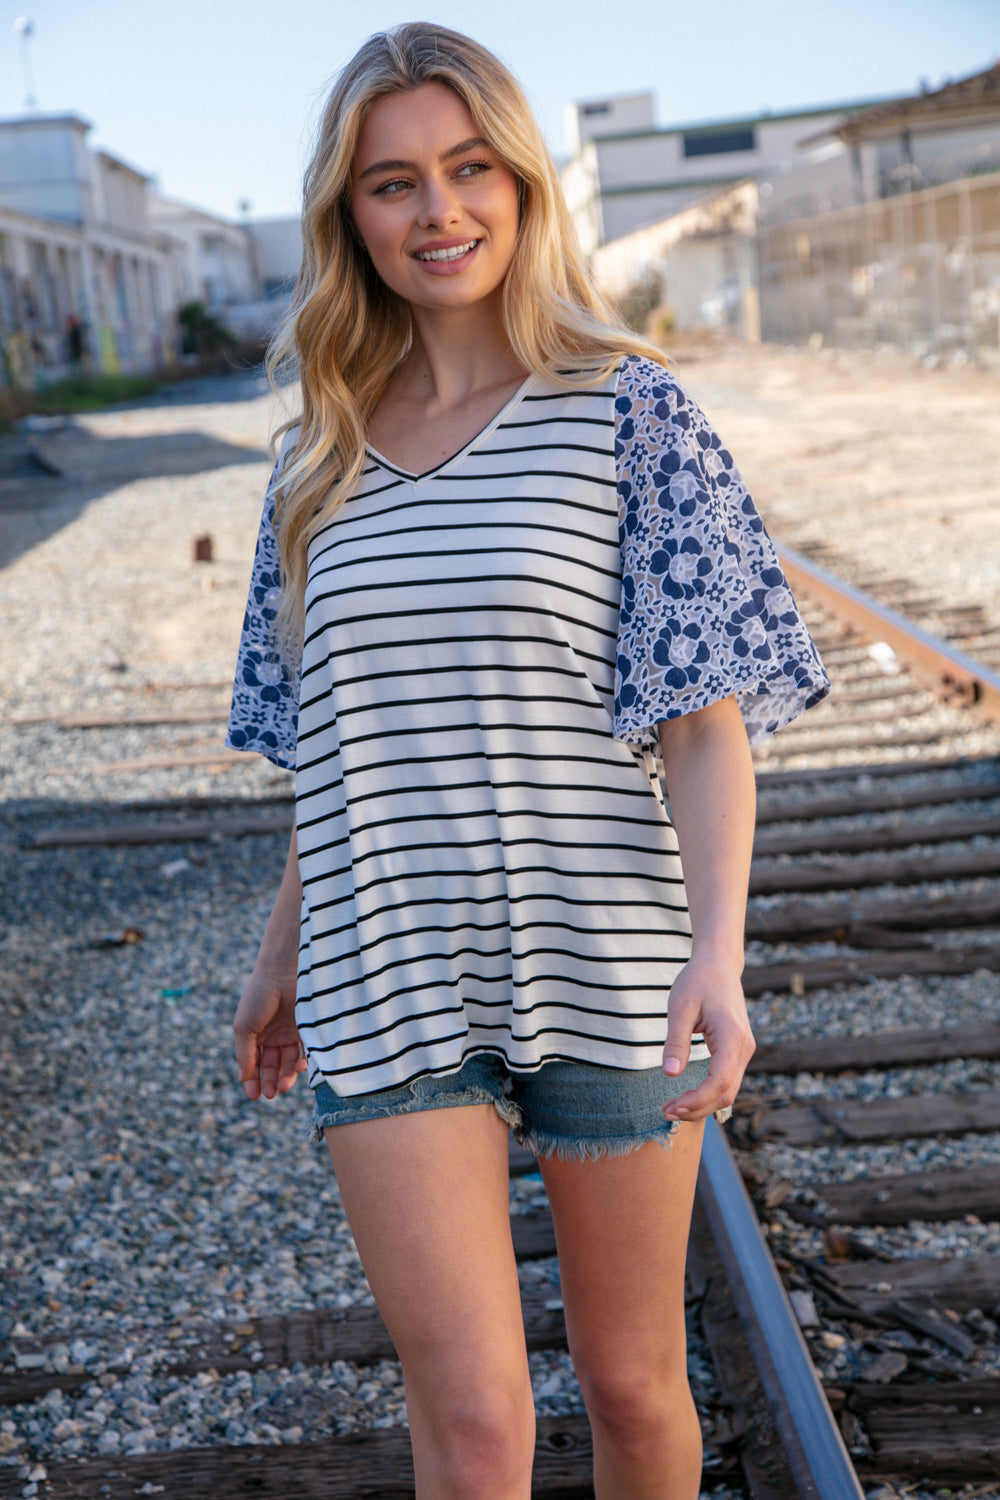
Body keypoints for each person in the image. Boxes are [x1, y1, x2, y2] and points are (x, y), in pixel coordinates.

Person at [227, 23, 829, 1500]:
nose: (438, 211)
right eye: (392, 184)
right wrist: (276, 952)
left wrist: (719, 955)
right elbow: (336, 745)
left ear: (521, 184)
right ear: (348, 218)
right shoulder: (318, 460)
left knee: (631, 1392)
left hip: (607, 950)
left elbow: (703, 723)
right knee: (479, 1423)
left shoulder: (631, 414)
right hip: (387, 968)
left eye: (468, 167)